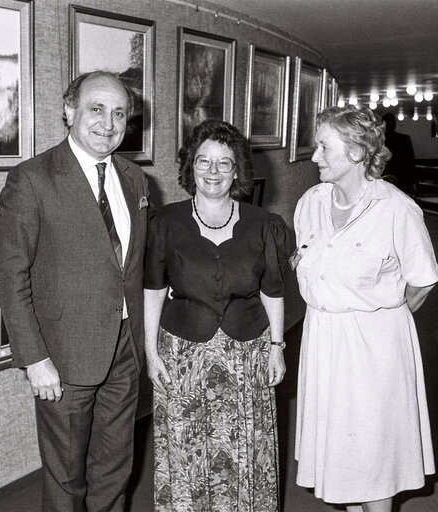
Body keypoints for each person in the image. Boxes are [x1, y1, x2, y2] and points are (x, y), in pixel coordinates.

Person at [0, 71, 150, 511]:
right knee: (66, 479)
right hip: (62, 356)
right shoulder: (32, 179)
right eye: (96, 109)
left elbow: (130, 268)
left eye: (119, 113)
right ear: (69, 111)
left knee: (115, 468)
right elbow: (9, 275)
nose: (108, 123)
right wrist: (35, 358)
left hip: (123, 350)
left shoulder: (135, 180)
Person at [293, 105, 438, 512]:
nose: (315, 156)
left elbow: (424, 279)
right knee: (342, 454)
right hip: (323, 339)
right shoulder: (310, 202)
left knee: (374, 458)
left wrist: (384, 316)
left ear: (357, 153)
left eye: (324, 147)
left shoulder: (396, 208)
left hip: (374, 347)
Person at [143, 120, 292, 511]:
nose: (212, 171)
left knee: (247, 445)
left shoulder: (264, 225)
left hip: (247, 355)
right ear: (190, 167)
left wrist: (277, 348)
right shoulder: (166, 222)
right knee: (187, 448)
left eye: (223, 163)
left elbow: (272, 291)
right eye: (203, 161)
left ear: (238, 170)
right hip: (184, 354)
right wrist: (150, 351)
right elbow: (154, 288)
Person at [381, 111, 417, 194]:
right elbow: (411, 162)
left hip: (387, 178)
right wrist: (412, 182)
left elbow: (410, 162)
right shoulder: (404, 139)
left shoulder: (380, 140)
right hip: (402, 178)